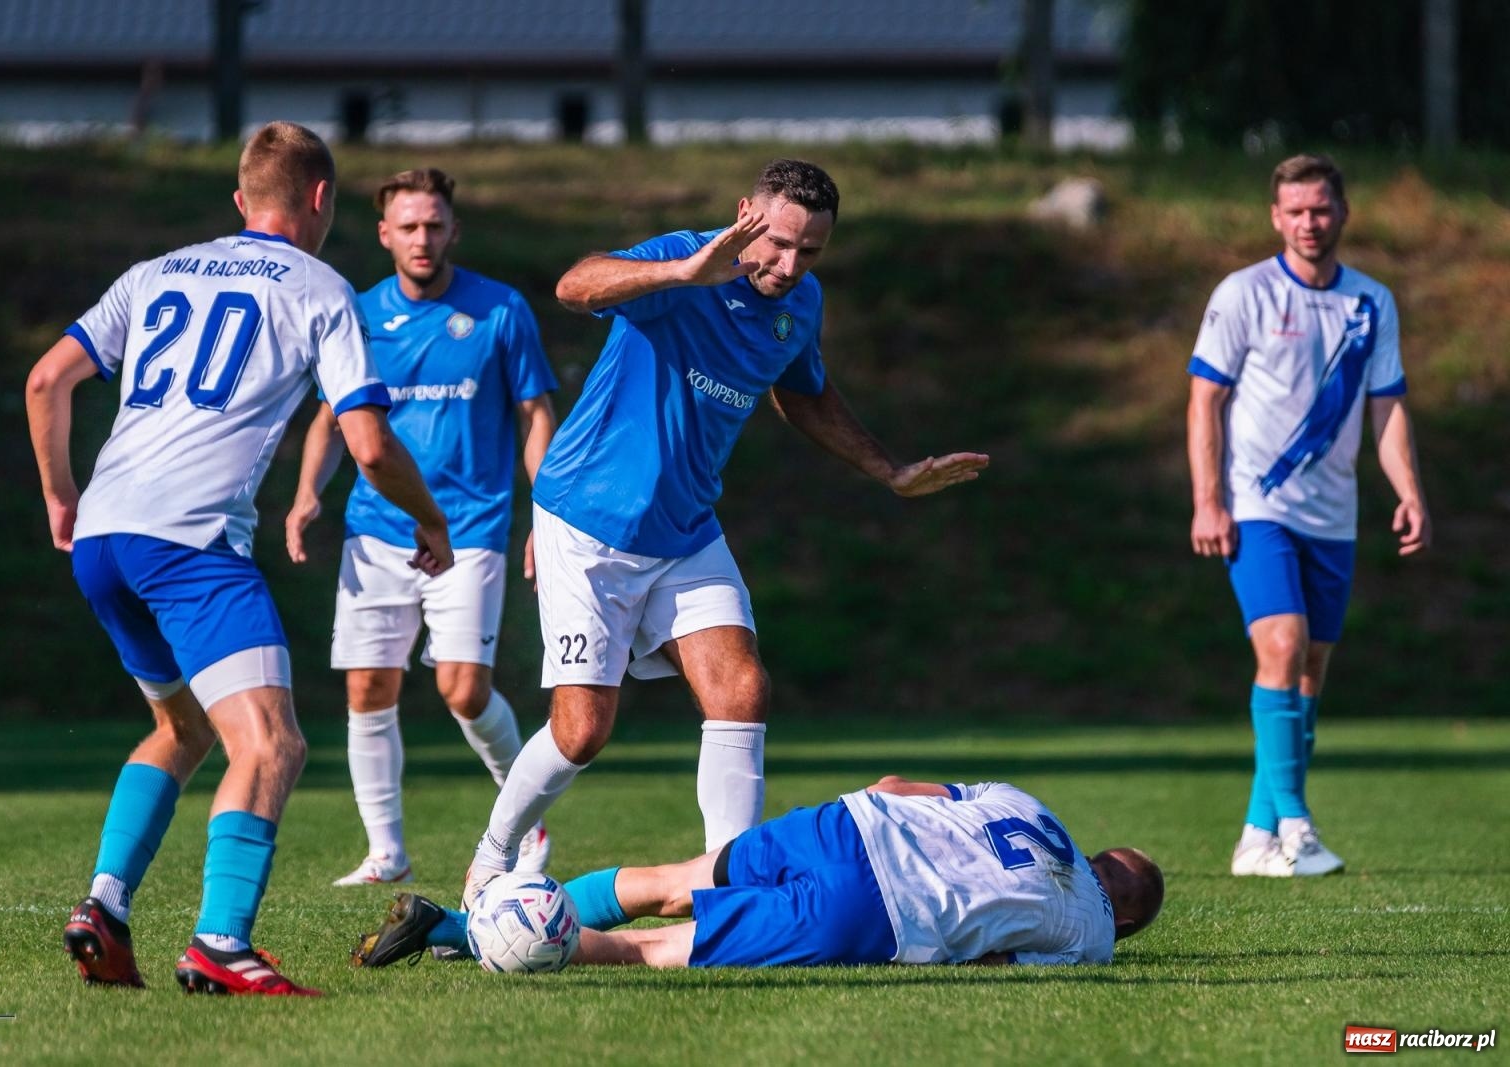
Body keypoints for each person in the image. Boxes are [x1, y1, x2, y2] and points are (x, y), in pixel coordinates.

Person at [461, 159, 989, 902]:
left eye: (811, 251)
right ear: (746, 213)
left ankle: (729, 888)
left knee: (741, 689)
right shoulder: (687, 257)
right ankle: (492, 855)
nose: (789, 264)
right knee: (582, 731)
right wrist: (681, 273)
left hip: (684, 531)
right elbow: (574, 285)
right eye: (777, 242)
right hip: (586, 522)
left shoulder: (799, 304)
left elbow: (803, 392)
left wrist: (890, 470)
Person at [25, 122, 455, 996]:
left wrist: (60, 494)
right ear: (322, 198)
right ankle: (221, 941)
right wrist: (431, 519)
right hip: (190, 543)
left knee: (184, 730)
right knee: (271, 743)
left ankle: (104, 905)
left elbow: (46, 381)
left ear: (239, 201)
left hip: (106, 536)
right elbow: (367, 444)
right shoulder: (322, 288)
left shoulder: (154, 273)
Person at [285, 168, 559, 887]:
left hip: (471, 528)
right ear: (384, 234)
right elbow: (332, 421)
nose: (422, 238)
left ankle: (526, 818)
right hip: (376, 531)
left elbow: (534, 414)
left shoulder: (501, 311)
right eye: (408, 226)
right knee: (367, 688)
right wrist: (306, 494)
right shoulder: (359, 315)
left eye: (434, 225)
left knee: (464, 690)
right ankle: (386, 852)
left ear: (454, 231)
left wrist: (549, 510)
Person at [1187, 153, 1431, 879]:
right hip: (1258, 505)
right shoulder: (1245, 294)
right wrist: (1208, 499)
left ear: (1343, 212)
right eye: (1295, 211)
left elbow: (1386, 405)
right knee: (1284, 646)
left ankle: (1257, 834)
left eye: (1320, 209)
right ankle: (1297, 821)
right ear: (1275, 217)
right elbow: (1205, 398)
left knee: (1311, 669)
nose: (1308, 223)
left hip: (1335, 515)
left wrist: (1409, 490)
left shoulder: (1370, 303)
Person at [351, 776, 1163, 969]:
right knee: (657, 948)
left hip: (844, 826)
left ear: (1094, 853)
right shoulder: (1093, 933)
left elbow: (895, 788)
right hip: (880, 911)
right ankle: (478, 935)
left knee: (674, 876)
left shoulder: (1028, 803)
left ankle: (460, 925)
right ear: (1124, 917)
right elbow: (992, 958)